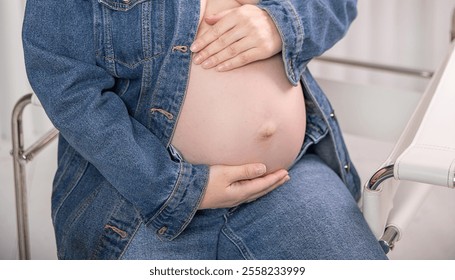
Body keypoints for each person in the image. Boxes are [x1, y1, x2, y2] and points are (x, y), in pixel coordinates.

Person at [22, 0, 387, 259]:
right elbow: (64, 78)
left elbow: (338, 4)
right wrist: (169, 186)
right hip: (138, 200)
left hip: (284, 180)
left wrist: (282, 23)